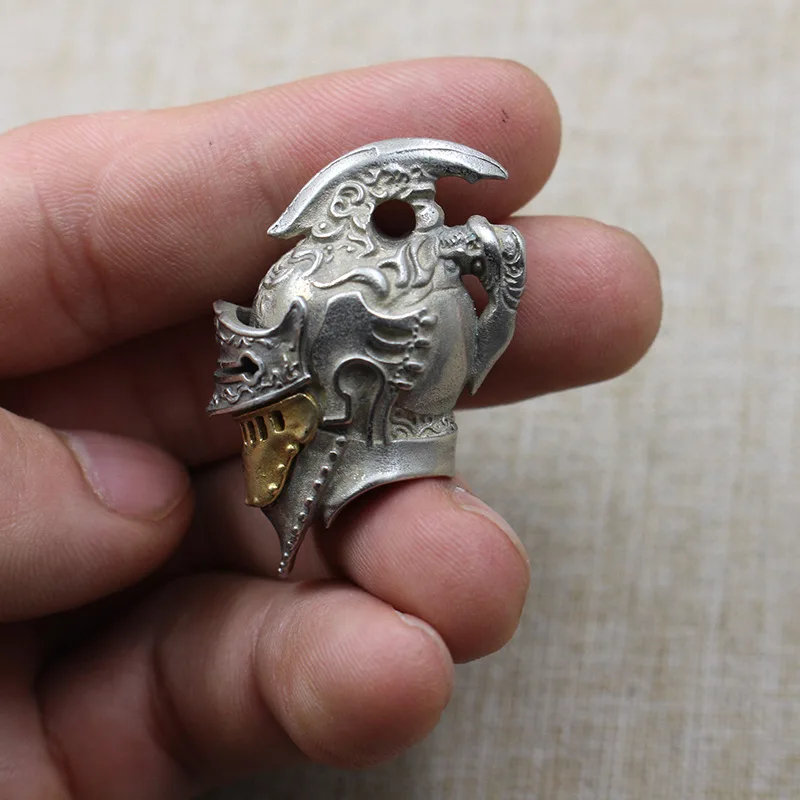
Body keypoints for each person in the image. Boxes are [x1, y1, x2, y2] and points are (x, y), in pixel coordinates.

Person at [0, 57, 661, 798]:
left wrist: (503, 291)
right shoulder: (308, 280)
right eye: (414, 206)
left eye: (430, 209)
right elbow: (278, 369)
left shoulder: (428, 275)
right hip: (338, 432)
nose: (433, 220)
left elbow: (473, 369)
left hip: (395, 435)